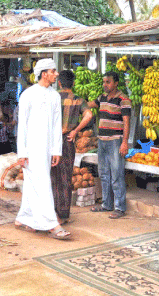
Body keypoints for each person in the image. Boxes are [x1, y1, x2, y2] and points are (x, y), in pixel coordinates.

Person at [14, 58, 70, 240]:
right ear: (44, 73)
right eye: (53, 71)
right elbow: (22, 125)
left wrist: (56, 150)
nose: (56, 74)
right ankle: (51, 224)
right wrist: (22, 152)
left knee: (34, 184)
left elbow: (56, 125)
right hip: (31, 148)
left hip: (46, 149)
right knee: (43, 184)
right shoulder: (28, 95)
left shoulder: (54, 96)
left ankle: (23, 218)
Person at [52, 70, 94, 224]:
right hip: (67, 139)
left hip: (50, 140)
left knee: (51, 177)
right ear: (73, 83)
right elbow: (89, 115)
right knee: (64, 177)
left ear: (60, 83)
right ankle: (63, 215)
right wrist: (76, 130)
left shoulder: (52, 97)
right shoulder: (78, 100)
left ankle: (51, 213)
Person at [88, 71, 131, 219]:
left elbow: (126, 122)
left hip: (115, 141)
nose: (105, 85)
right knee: (104, 174)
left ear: (116, 83)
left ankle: (119, 207)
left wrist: (124, 142)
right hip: (102, 140)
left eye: (108, 82)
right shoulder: (102, 98)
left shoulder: (123, 99)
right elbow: (89, 105)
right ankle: (106, 204)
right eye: (104, 82)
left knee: (117, 174)